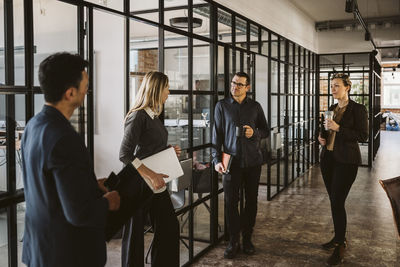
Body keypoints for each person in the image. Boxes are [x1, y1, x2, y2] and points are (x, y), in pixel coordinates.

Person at [21, 52, 121, 267]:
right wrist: (108, 202)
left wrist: (89, 185)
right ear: (70, 93)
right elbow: (79, 213)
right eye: (85, 85)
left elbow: (47, 186)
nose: (87, 90)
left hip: (41, 248)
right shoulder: (64, 137)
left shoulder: (33, 125)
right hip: (66, 254)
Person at [119, 71, 180, 267]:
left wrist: (167, 150)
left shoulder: (154, 116)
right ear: (156, 89)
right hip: (137, 184)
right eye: (166, 88)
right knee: (134, 238)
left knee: (169, 227)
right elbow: (125, 154)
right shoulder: (138, 116)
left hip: (155, 184)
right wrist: (151, 175)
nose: (168, 92)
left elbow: (148, 148)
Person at [212, 71, 269, 259]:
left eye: (239, 84)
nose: (234, 87)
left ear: (248, 87)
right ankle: (233, 240)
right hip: (231, 163)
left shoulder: (255, 106)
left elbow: (266, 130)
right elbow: (216, 135)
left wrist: (255, 133)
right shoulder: (221, 106)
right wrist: (216, 159)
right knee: (230, 203)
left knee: (251, 201)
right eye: (233, 83)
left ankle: (247, 239)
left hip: (253, 162)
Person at [318, 73, 368, 265]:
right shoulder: (331, 108)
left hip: (346, 161)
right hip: (328, 159)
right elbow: (327, 131)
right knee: (334, 201)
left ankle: (340, 244)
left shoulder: (358, 109)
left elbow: (363, 135)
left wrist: (338, 128)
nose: (333, 89)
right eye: (331, 86)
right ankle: (339, 237)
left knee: (337, 200)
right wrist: (321, 137)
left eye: (336, 86)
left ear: (347, 87)